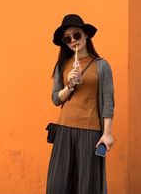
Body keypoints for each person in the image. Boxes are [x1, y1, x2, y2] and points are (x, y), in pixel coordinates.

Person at [46, 14, 114, 194]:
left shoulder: (102, 65)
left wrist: (107, 134)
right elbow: (55, 99)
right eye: (67, 39)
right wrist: (70, 84)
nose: (73, 41)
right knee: (57, 186)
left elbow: (108, 101)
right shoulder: (63, 65)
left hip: (90, 132)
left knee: (87, 186)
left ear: (86, 35)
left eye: (76, 35)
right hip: (63, 130)